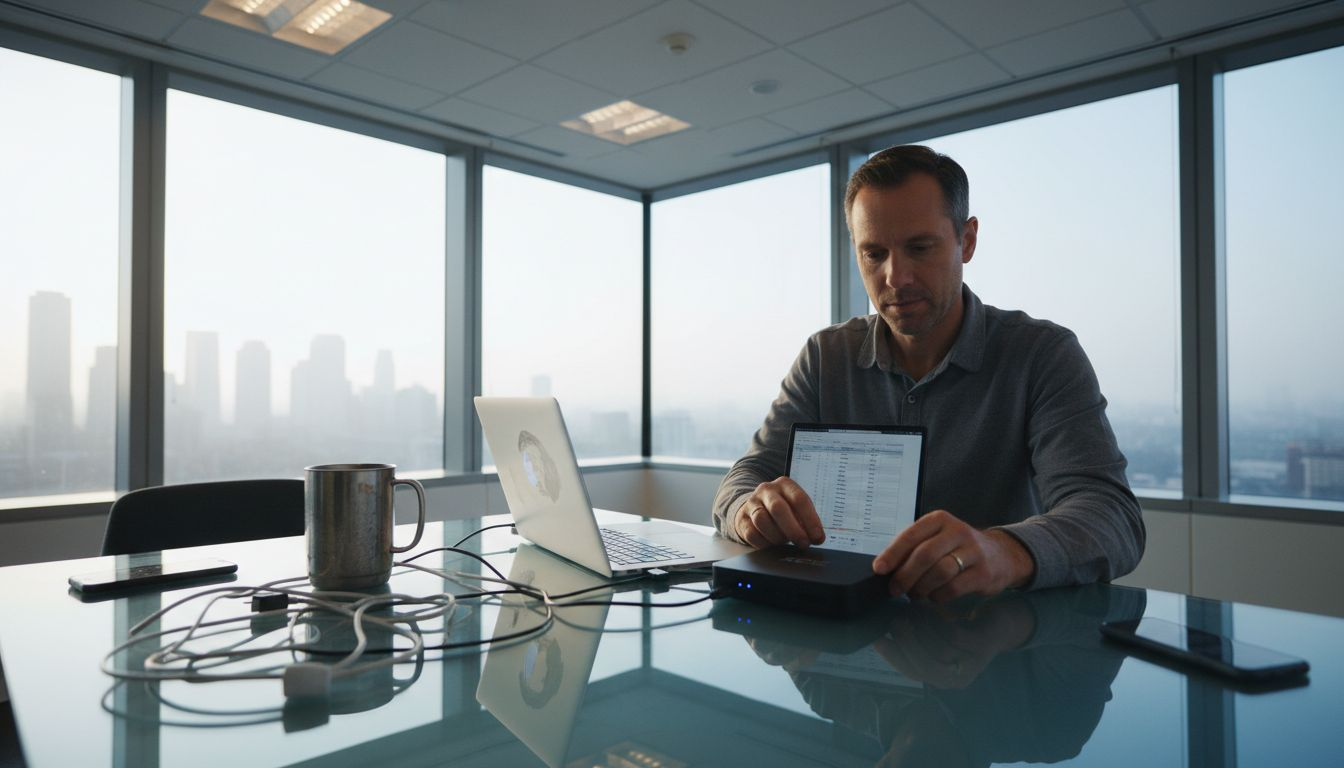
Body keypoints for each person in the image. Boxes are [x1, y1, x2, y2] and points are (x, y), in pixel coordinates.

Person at [711, 145, 1144, 601]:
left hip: (992, 643)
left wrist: (1002, 552)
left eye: (919, 248)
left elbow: (1111, 517)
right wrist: (749, 510)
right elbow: (742, 481)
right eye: (873, 253)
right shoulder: (826, 356)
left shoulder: (1041, 354)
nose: (896, 277)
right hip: (842, 634)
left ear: (968, 240)